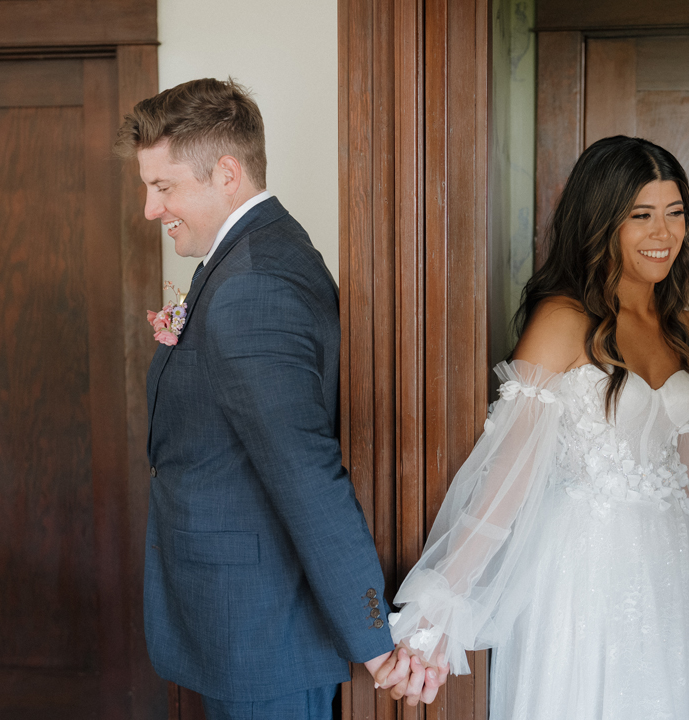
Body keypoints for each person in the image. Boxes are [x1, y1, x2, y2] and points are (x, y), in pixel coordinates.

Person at [380, 136, 689, 719]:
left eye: (675, 213)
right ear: (602, 221)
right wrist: (437, 613)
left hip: (669, 578)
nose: (663, 233)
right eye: (641, 215)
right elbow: (506, 481)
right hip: (578, 576)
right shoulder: (563, 321)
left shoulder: (688, 331)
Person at [116, 78, 444, 720]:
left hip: (260, 634)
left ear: (226, 173)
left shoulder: (253, 281)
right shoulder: (252, 255)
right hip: (241, 625)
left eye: (163, 187)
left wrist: (373, 638)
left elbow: (305, 472)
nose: (151, 209)